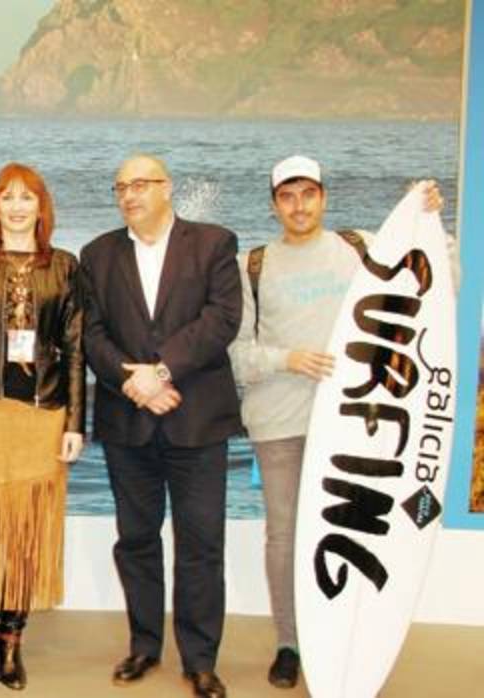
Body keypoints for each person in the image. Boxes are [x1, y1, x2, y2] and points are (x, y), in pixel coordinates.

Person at [228, 156, 446, 690]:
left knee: (358, 531)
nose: (299, 205)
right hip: (280, 421)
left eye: (308, 194)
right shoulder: (252, 265)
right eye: (287, 196)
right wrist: (287, 359)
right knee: (284, 537)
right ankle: (289, 643)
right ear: (274, 204)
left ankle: (350, 635)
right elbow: (236, 354)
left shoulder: (362, 247)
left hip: (360, 425)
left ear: (324, 197)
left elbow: (437, 285)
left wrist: (430, 221)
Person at [78, 154, 242, 698]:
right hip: (128, 421)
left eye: (141, 184)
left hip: (197, 421)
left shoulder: (213, 243)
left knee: (201, 544)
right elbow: (91, 334)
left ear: (167, 188)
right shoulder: (97, 254)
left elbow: (221, 320)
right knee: (136, 540)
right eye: (120, 187)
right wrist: (134, 380)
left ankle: (200, 660)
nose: (130, 195)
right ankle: (144, 646)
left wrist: (162, 371)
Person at [0, 162, 85, 691]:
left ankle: (12, 641)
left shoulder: (64, 266)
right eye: (8, 197)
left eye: (28, 197)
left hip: (42, 418)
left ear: (41, 206)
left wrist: (75, 422)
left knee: (27, 532)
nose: (18, 206)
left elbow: (76, 349)